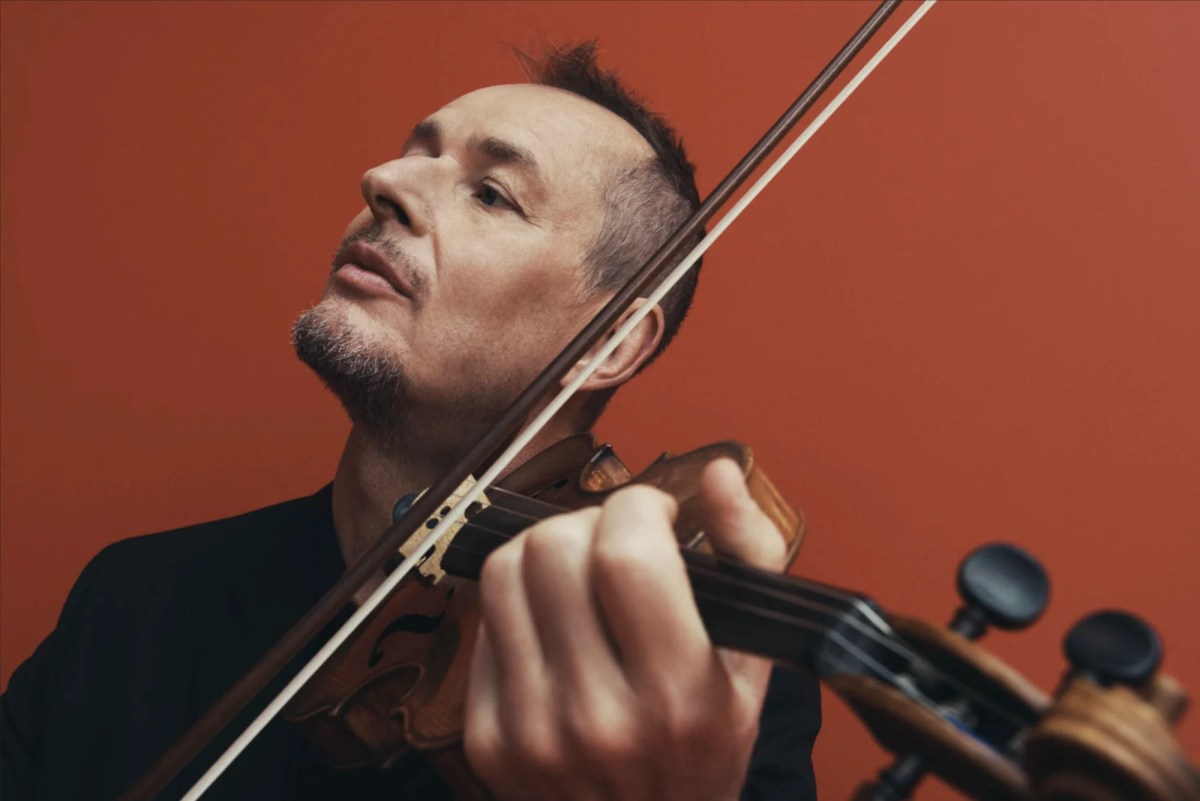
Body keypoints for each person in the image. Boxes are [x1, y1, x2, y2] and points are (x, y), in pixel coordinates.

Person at [1, 44, 820, 800]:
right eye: (416, 151)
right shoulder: (136, 599)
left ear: (608, 340)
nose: (384, 179)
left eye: (491, 193)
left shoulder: (684, 677)